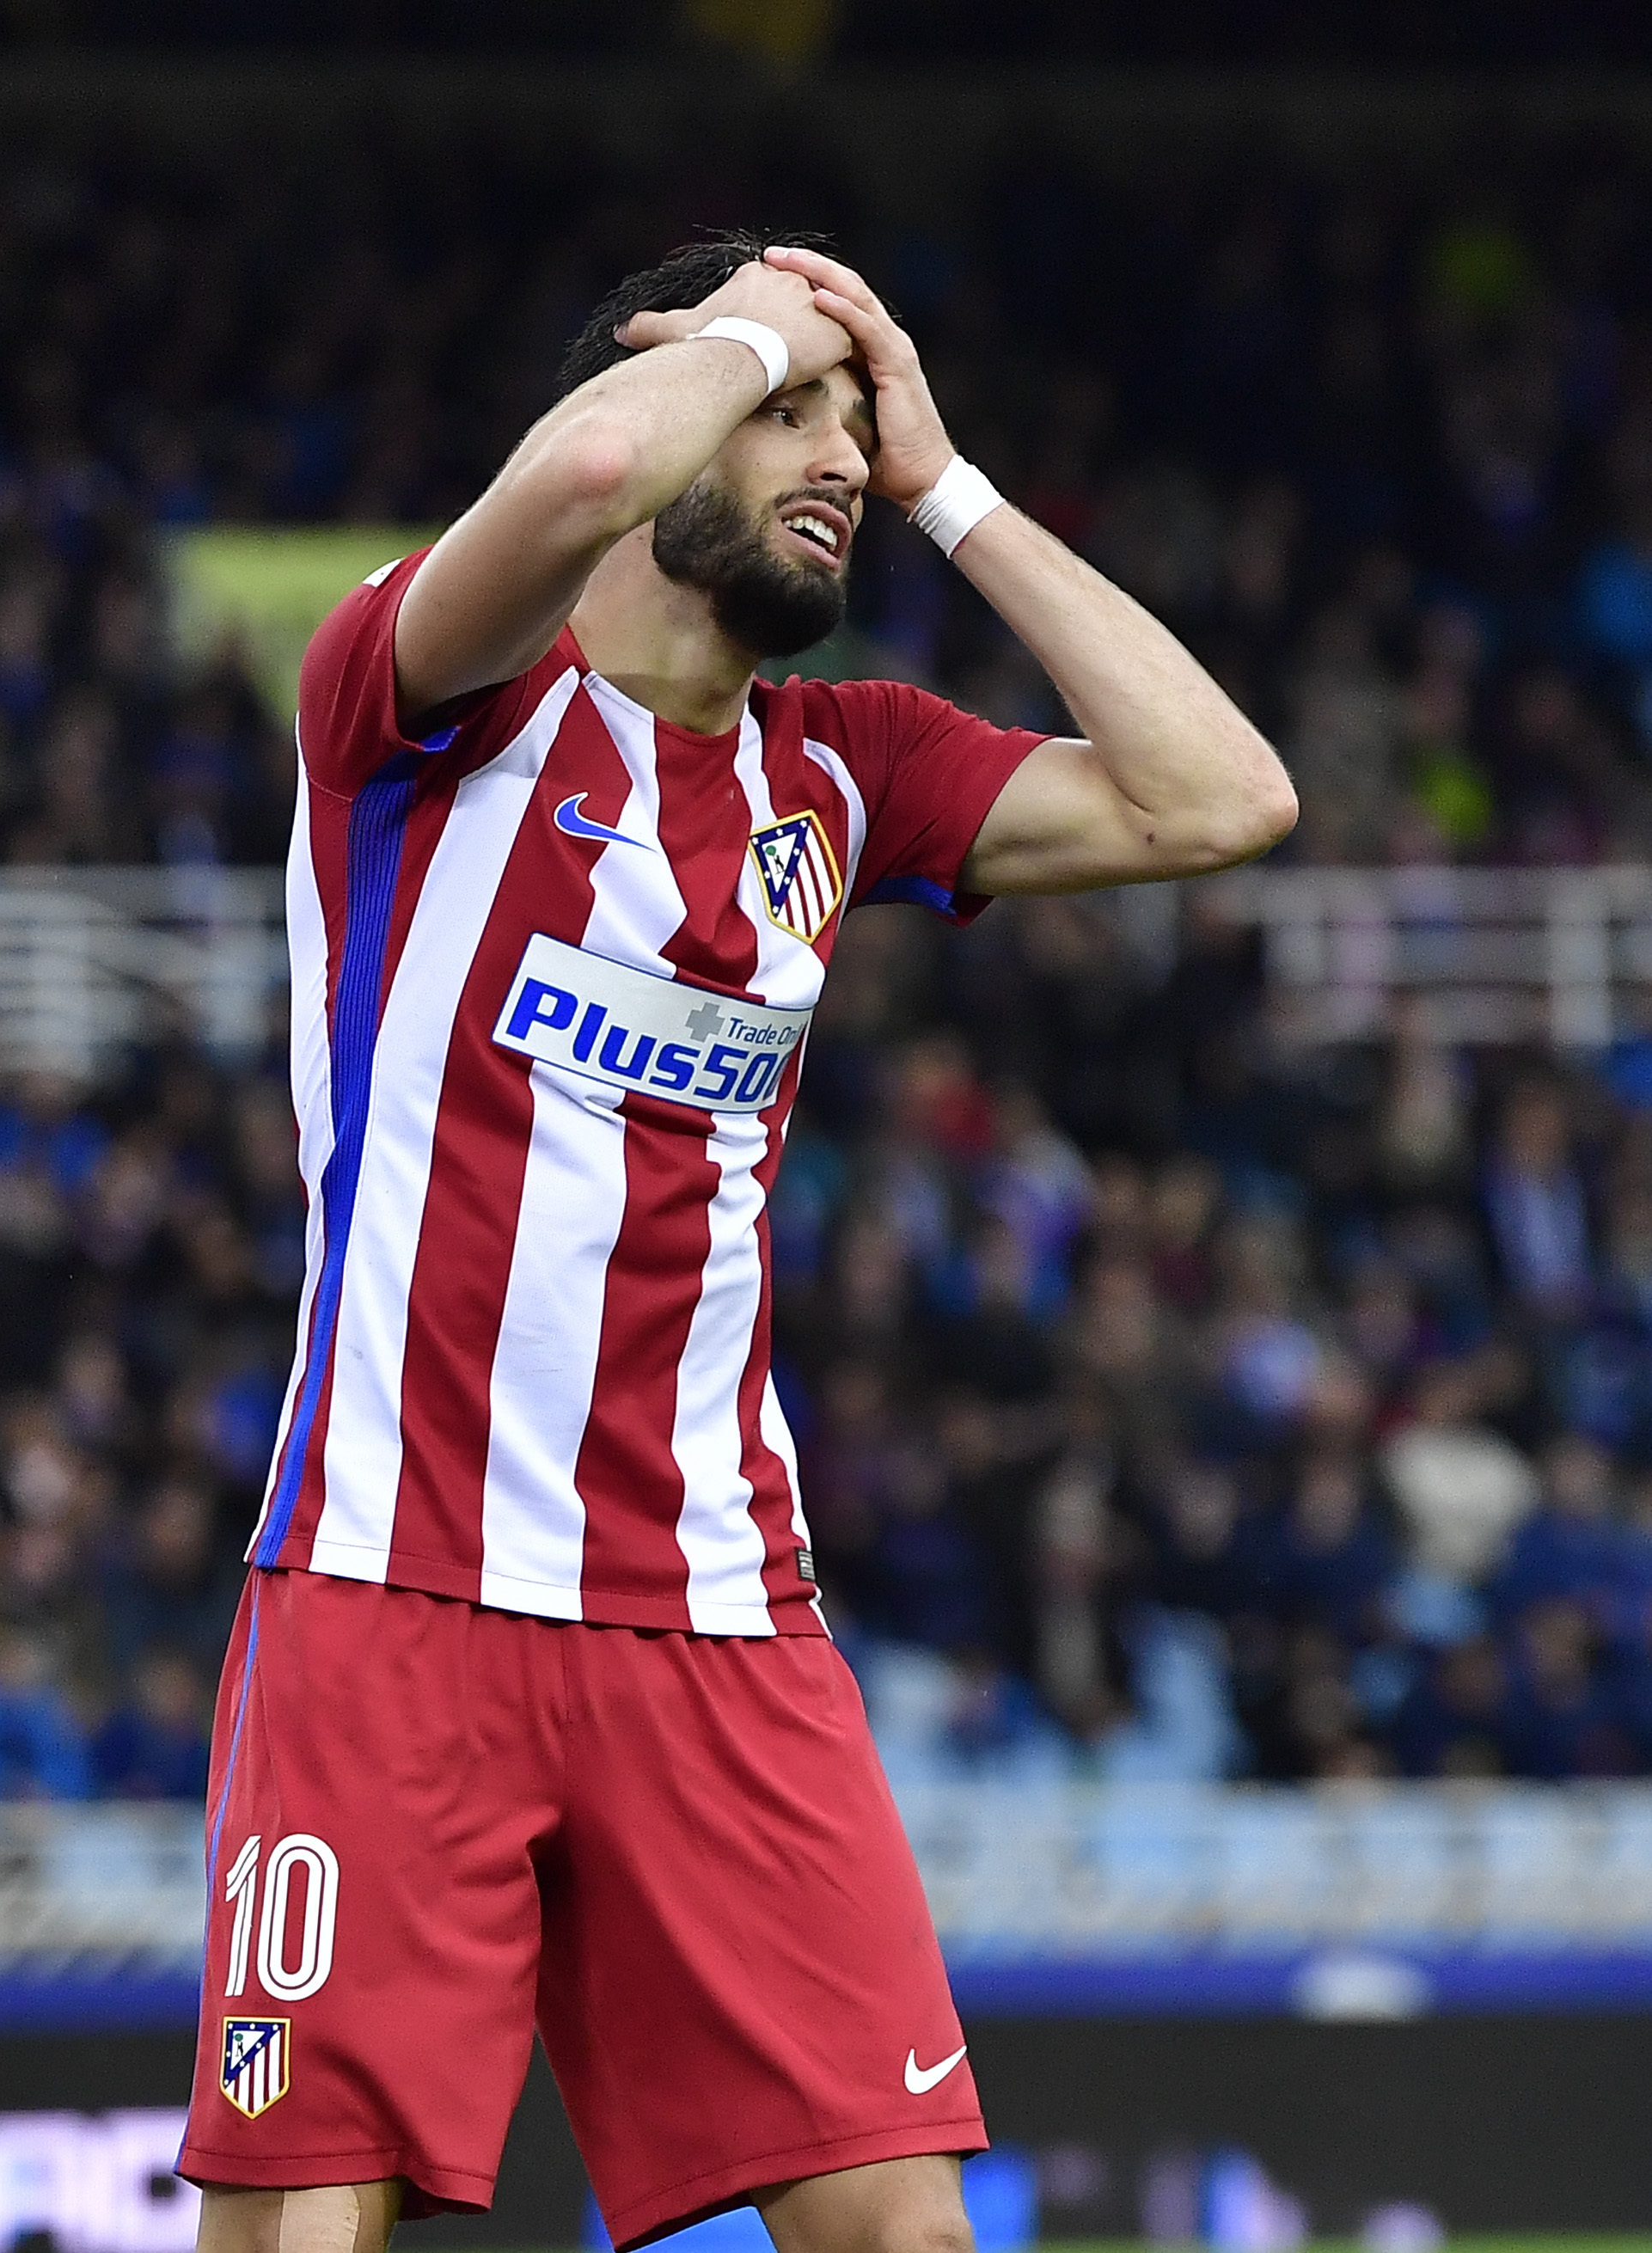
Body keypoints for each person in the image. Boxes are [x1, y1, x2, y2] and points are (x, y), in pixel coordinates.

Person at [181, 238, 1294, 2253]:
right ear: (673, 386)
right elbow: (588, 478)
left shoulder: (839, 773)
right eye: (791, 415)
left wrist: (945, 475)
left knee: (903, 2233)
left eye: (847, 428)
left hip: (716, 1622)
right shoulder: (419, 702)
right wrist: (763, 324)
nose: (836, 460)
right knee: (303, 2233)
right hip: (388, 1590)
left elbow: (1218, 796)